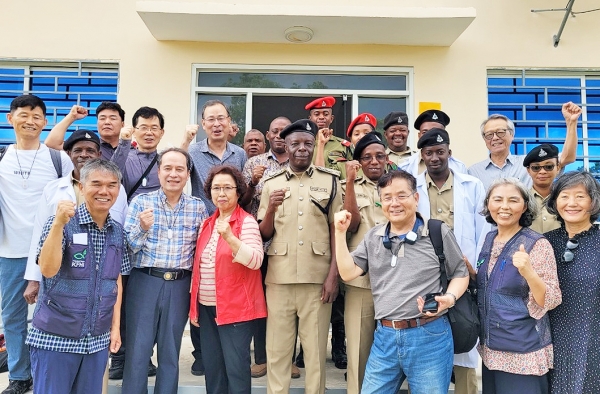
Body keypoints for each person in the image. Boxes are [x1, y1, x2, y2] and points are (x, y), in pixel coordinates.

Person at [333, 170, 469, 394]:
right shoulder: (373, 236)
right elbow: (348, 273)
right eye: (387, 197)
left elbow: (460, 273)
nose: (394, 203)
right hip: (385, 337)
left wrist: (450, 298)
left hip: (429, 336)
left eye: (401, 196)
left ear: (415, 198)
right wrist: (339, 233)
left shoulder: (437, 231)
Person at [25, 159, 130, 394]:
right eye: (96, 184)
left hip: (96, 341)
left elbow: (116, 282)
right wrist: (58, 225)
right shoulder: (61, 222)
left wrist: (115, 328)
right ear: (81, 187)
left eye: (112, 185)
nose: (104, 191)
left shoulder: (118, 232)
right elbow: (48, 270)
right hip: (56, 338)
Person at [258, 119, 342, 394]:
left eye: (308, 143)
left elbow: (337, 231)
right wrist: (270, 209)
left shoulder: (330, 180)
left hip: (317, 281)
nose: (302, 149)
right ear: (286, 146)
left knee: (315, 354)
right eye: (296, 144)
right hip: (279, 280)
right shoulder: (271, 182)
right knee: (278, 351)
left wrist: (333, 276)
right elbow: (264, 232)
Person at [0, 94, 73, 394]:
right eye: (24, 114)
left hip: (53, 252)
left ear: (45, 122)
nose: (30, 120)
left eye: (37, 116)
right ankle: (19, 374)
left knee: (54, 315)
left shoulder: (58, 159)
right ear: (10, 118)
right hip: (10, 251)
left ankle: (49, 371)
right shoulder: (1, 158)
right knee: (13, 316)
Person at [121, 148, 208, 394]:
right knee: (138, 349)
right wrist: (141, 228)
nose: (173, 174)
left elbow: (199, 252)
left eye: (179, 169)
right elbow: (128, 248)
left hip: (180, 284)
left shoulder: (197, 207)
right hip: (145, 281)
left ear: (188, 174)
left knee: (170, 350)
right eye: (167, 168)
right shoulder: (140, 202)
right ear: (158, 173)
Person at [415, 128, 486, 394]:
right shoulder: (414, 186)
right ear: (422, 156)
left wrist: (476, 268)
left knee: (464, 332)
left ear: (449, 154)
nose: (435, 157)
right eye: (429, 153)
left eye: (440, 152)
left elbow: (483, 229)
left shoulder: (471, 185)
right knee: (427, 335)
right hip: (426, 273)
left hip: (462, 271)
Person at [476, 178, 561, 394]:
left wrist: (529, 272)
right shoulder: (489, 239)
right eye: (497, 200)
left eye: (513, 200)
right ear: (488, 204)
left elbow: (549, 299)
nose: (504, 207)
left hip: (523, 353)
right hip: (491, 351)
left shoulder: (537, 244)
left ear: (524, 206)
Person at [183, 99, 247, 375]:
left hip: (232, 226)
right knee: (201, 288)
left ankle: (226, 346)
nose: (217, 124)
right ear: (203, 123)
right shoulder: (193, 151)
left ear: (229, 122)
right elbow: (173, 169)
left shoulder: (240, 153)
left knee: (228, 285)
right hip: (203, 227)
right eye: (211, 119)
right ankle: (201, 353)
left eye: (221, 118)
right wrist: (185, 139)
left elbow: (242, 189)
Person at [190, 165, 266, 394]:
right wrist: (194, 308)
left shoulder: (247, 222)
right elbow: (199, 268)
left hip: (236, 309)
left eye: (227, 188)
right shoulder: (207, 223)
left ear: (238, 192)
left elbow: (255, 260)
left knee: (236, 370)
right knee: (213, 370)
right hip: (207, 308)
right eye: (216, 188)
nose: (221, 193)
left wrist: (231, 238)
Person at [239, 116, 300, 379]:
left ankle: (288, 359)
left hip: (292, 245)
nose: (278, 135)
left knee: (291, 305)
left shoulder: (301, 162)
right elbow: (240, 203)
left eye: (283, 132)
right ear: (268, 135)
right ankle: (263, 358)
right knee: (262, 303)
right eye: (274, 131)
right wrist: (252, 182)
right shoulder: (254, 162)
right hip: (261, 244)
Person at [340, 132, 388, 394]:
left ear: (386, 159)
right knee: (359, 350)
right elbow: (351, 225)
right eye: (367, 157)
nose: (374, 162)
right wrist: (349, 182)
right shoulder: (348, 186)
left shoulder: (397, 185)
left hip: (395, 281)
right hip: (361, 282)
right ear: (358, 161)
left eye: (379, 156)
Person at [544, 171, 600, 393]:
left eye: (580, 196)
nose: (571, 203)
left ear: (593, 201)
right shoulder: (544, 242)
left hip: (594, 339)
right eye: (565, 196)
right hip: (552, 339)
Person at [523, 102, 581, 234]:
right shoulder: (522, 199)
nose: (542, 171)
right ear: (528, 170)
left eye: (548, 166)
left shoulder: (565, 198)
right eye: (536, 168)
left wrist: (571, 122)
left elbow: (569, 155)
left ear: (558, 167)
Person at [44, 101, 130, 160]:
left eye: (113, 118)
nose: (107, 122)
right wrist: (71, 117)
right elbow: (51, 144)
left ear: (122, 124)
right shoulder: (88, 147)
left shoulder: (131, 150)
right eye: (102, 118)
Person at [468, 114, 532, 190]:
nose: (495, 138)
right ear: (484, 139)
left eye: (501, 132)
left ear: (512, 135)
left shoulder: (527, 164)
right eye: (489, 134)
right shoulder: (474, 172)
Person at [399, 110, 467, 177]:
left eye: (436, 131)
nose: (431, 136)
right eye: (425, 132)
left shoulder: (459, 167)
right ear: (419, 135)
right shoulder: (405, 167)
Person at [309, 96, 353, 179]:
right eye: (317, 114)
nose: (321, 117)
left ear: (331, 118)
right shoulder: (305, 144)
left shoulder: (343, 146)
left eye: (325, 114)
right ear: (310, 119)